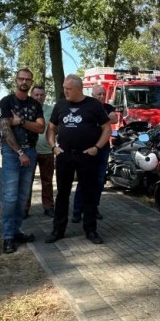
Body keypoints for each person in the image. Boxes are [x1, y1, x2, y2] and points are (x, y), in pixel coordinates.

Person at [45, 75, 112, 245]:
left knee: (89, 194)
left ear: (78, 88)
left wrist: (97, 147)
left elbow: (107, 128)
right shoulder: (60, 105)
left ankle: (91, 230)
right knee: (62, 194)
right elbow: (51, 128)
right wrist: (54, 147)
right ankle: (58, 230)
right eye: (64, 88)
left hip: (86, 155)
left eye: (68, 89)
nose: (65, 91)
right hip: (64, 156)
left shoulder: (94, 105)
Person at [0, 68, 45, 254]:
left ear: (31, 82)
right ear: (15, 80)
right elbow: (5, 129)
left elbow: (40, 128)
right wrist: (19, 152)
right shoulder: (6, 102)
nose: (24, 82)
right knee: (10, 196)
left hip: (31, 151)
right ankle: (8, 237)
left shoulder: (35, 104)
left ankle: (16, 231)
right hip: (12, 153)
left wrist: (21, 121)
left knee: (23, 196)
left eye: (28, 79)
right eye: (21, 79)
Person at [72, 84, 119, 223]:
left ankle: (93, 208)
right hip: (87, 148)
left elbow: (114, 118)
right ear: (92, 95)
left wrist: (97, 119)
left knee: (99, 181)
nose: (101, 96)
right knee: (84, 180)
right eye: (98, 94)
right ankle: (77, 210)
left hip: (103, 148)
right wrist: (102, 119)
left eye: (103, 94)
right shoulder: (86, 106)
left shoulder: (108, 107)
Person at [25, 85, 55, 218]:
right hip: (30, 151)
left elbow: (55, 128)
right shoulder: (26, 109)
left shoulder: (51, 110)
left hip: (47, 151)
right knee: (27, 181)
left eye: (41, 95)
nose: (39, 97)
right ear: (31, 95)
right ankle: (24, 208)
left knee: (47, 181)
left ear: (45, 96)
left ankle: (48, 207)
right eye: (36, 94)